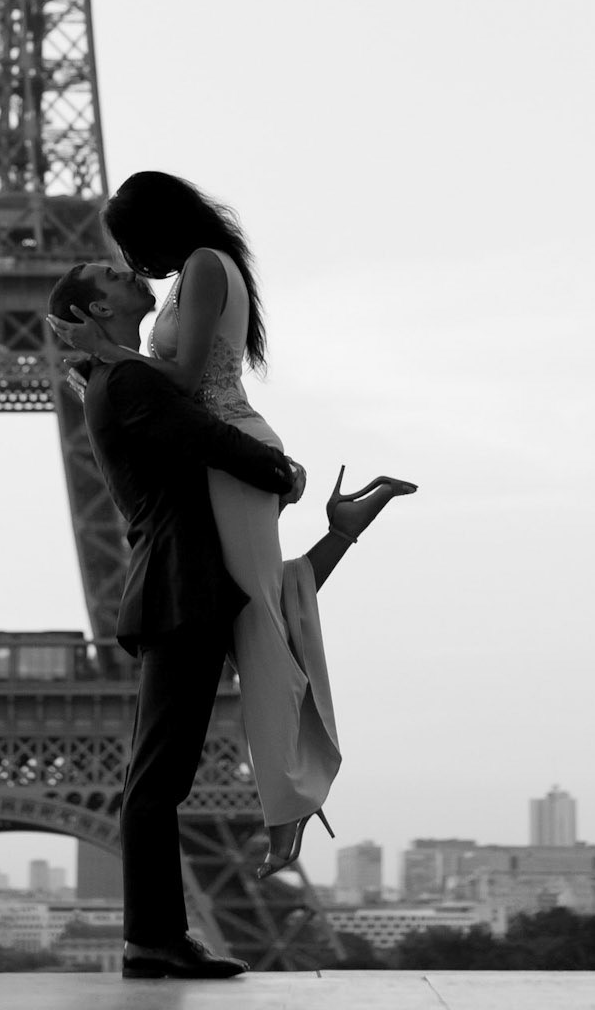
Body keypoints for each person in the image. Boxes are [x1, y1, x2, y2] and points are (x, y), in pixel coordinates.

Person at [92, 170, 416, 878]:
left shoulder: (207, 266)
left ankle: (288, 806)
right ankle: (345, 530)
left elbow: (178, 385)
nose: (132, 262)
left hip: (233, 451)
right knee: (258, 606)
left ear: (159, 227)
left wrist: (105, 350)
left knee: (257, 624)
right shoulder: (195, 273)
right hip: (224, 455)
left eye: (134, 244)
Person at [47, 260, 297, 981]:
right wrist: (283, 473)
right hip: (179, 587)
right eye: (109, 273)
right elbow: (208, 438)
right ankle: (152, 938)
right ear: (96, 305)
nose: (127, 271)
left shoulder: (116, 375)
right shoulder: (125, 380)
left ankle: (152, 938)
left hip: (178, 584)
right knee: (157, 779)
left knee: (160, 776)